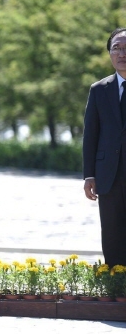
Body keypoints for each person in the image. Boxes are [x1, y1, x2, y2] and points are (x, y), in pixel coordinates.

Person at [83, 27, 126, 268]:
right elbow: (91, 135)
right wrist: (89, 175)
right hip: (108, 175)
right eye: (116, 48)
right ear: (109, 54)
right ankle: (116, 289)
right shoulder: (99, 90)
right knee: (111, 234)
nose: (122, 53)